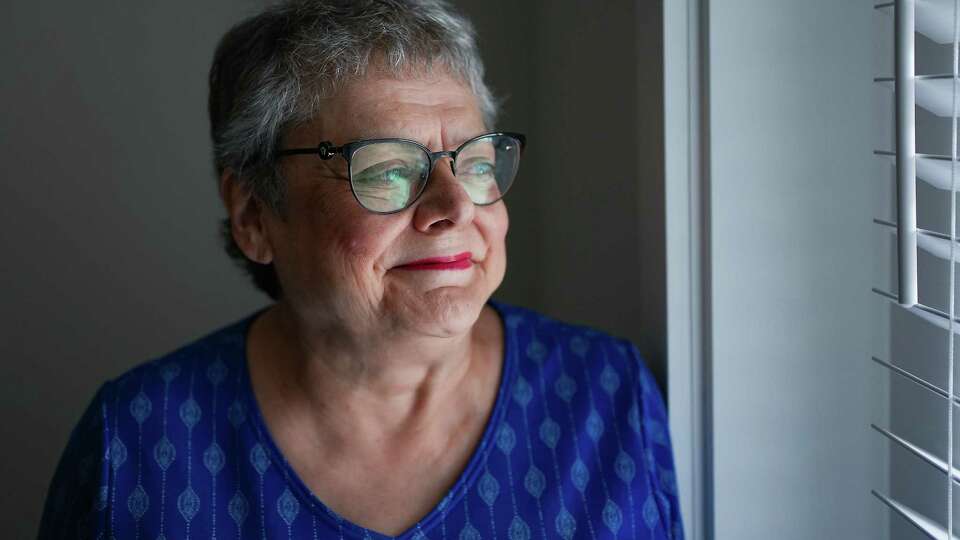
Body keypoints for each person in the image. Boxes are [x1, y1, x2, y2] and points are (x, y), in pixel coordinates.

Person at [37, 1, 683, 538]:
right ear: (255, 216)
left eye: (477, 161)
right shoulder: (135, 446)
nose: (457, 206)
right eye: (387, 169)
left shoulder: (609, 396)